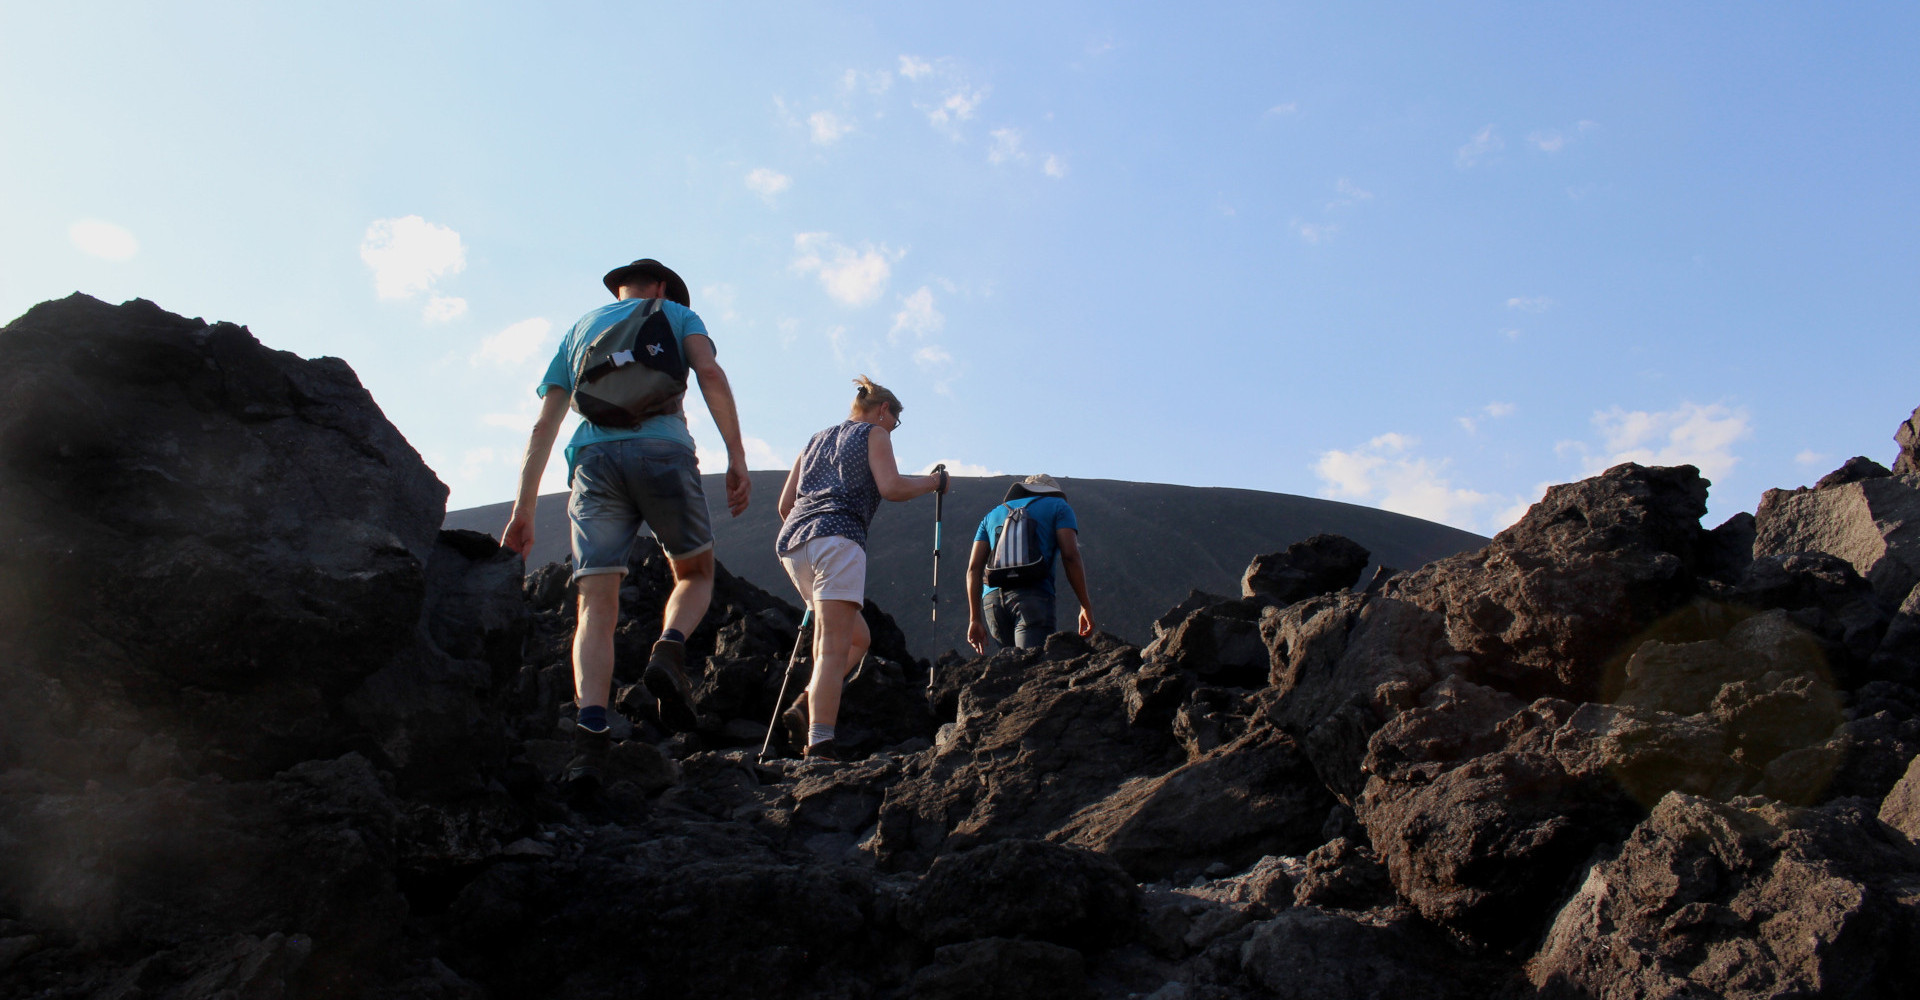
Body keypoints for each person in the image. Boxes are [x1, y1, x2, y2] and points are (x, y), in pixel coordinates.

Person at [501, 258, 751, 789]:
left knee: (596, 600)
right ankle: (669, 647)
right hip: (663, 449)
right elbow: (709, 373)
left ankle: (590, 737)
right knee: (694, 574)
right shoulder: (679, 315)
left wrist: (523, 509)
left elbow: (545, 423)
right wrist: (736, 455)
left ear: (617, 288)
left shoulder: (578, 331)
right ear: (661, 287)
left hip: (594, 461)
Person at [775, 376, 947, 760]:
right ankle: (820, 744)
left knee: (857, 639)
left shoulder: (813, 441)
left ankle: (805, 704)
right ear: (883, 410)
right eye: (894, 422)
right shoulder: (874, 433)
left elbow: (785, 506)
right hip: (838, 539)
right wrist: (935, 482)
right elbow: (892, 487)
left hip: (793, 543)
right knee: (833, 648)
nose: (892, 431)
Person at [966, 474, 1094, 653]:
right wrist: (1085, 605)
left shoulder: (991, 515)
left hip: (992, 601)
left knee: (1008, 671)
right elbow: (1070, 556)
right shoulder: (1059, 507)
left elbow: (973, 568)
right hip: (1033, 596)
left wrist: (974, 619)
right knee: (1032, 667)